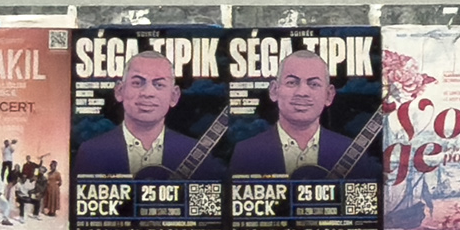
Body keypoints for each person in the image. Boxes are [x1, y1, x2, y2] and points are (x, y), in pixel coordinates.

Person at [225, 46, 378, 180]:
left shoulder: (352, 152)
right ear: (274, 91)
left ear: (329, 95)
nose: (302, 92)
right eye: (292, 82)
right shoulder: (246, 152)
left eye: (314, 84)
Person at [75, 49, 211, 175]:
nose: (147, 93)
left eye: (159, 85)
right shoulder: (91, 152)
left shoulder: (195, 153)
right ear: (119, 91)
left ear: (174, 96)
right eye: (137, 83)